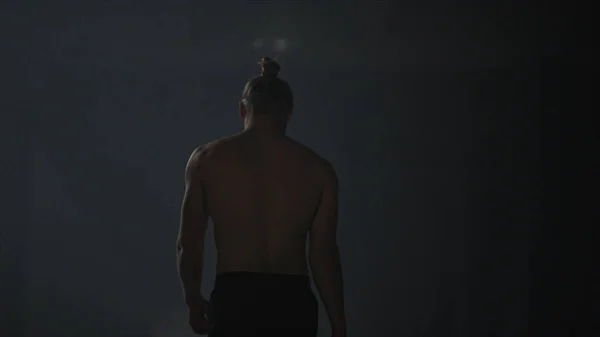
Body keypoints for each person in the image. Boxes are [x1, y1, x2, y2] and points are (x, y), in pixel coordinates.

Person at [176, 57, 346, 337]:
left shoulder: (206, 160)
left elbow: (188, 241)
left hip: (235, 298)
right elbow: (324, 254)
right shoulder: (319, 170)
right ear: (290, 111)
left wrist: (193, 301)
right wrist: (338, 324)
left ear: (243, 109)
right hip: (292, 301)